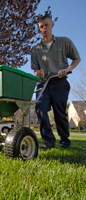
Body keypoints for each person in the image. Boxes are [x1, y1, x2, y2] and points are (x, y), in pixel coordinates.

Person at [31, 15, 81, 149]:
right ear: (39, 29)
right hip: (43, 84)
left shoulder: (64, 42)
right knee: (40, 107)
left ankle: (65, 141)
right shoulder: (35, 49)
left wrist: (68, 69)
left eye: (46, 25)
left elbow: (77, 58)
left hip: (59, 82)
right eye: (41, 27)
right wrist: (38, 73)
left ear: (52, 25)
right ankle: (48, 141)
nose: (44, 28)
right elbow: (35, 69)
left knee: (60, 113)